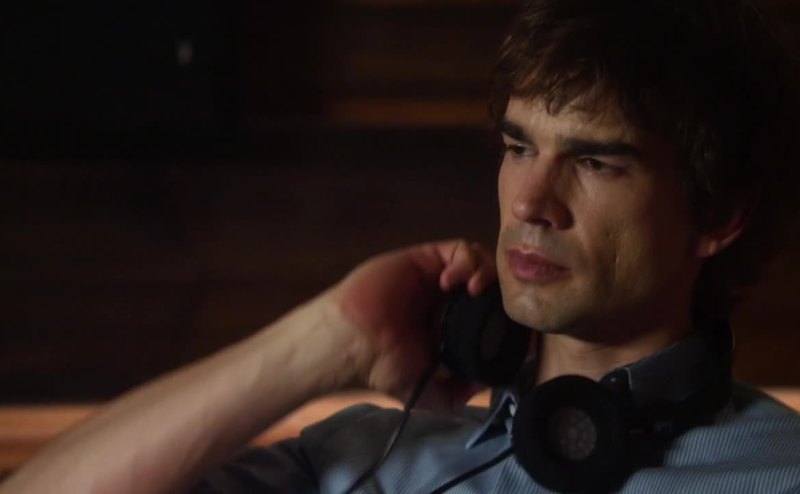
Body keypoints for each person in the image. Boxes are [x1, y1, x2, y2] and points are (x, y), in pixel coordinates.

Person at [4, 0, 800, 492]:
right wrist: (328, 338)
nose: (530, 202)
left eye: (595, 162)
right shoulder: (370, 458)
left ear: (719, 214)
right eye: (518, 147)